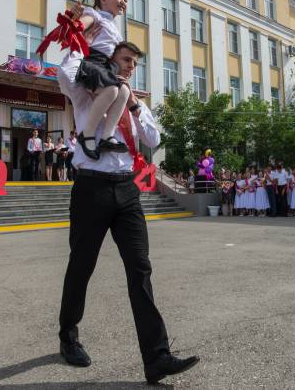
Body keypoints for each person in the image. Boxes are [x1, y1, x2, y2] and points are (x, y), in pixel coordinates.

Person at [56, 40, 199, 384]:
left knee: (140, 269)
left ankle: (157, 357)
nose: (131, 66)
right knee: (82, 264)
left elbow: (153, 139)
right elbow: (64, 72)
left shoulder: (133, 102)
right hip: (91, 188)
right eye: (125, 59)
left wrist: (135, 105)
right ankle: (68, 335)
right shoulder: (85, 95)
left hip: (126, 190)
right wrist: (81, 34)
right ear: (109, 60)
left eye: (135, 62)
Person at [39, 0, 132, 160]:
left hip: (106, 67)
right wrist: (74, 19)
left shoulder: (115, 28)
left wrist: (121, 72)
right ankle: (87, 134)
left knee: (123, 93)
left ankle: (107, 135)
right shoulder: (94, 15)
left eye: (126, 0)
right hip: (91, 63)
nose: (123, 2)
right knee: (112, 90)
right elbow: (79, 27)